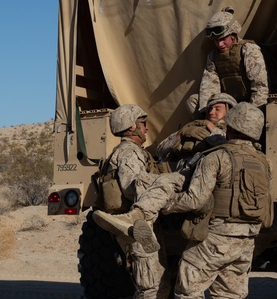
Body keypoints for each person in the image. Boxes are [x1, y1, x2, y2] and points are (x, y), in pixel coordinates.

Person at [164, 102, 271, 299]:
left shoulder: (217, 157)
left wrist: (166, 204)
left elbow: (195, 199)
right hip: (247, 240)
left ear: (231, 127)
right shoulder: (263, 162)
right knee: (227, 294)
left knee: (187, 286)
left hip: (218, 235)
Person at [93, 93, 236, 255]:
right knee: (159, 182)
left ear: (230, 112)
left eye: (218, 109)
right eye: (210, 108)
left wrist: (211, 128)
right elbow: (161, 150)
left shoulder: (230, 132)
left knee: (166, 185)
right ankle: (141, 220)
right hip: (182, 179)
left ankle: (139, 219)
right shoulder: (194, 126)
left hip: (200, 182)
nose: (212, 112)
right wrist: (182, 133)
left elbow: (230, 147)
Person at [92, 103, 166, 299]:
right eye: (143, 123)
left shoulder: (126, 152)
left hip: (135, 225)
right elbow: (132, 186)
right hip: (134, 225)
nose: (146, 128)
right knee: (149, 282)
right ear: (133, 126)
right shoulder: (130, 153)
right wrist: (163, 185)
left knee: (155, 276)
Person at [196, 6, 269, 112]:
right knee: (193, 101)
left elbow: (260, 87)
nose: (220, 44)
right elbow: (209, 87)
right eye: (216, 40)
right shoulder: (213, 56)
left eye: (223, 39)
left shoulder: (248, 50)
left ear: (233, 35)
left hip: (250, 104)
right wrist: (207, 113)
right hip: (229, 104)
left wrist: (253, 114)